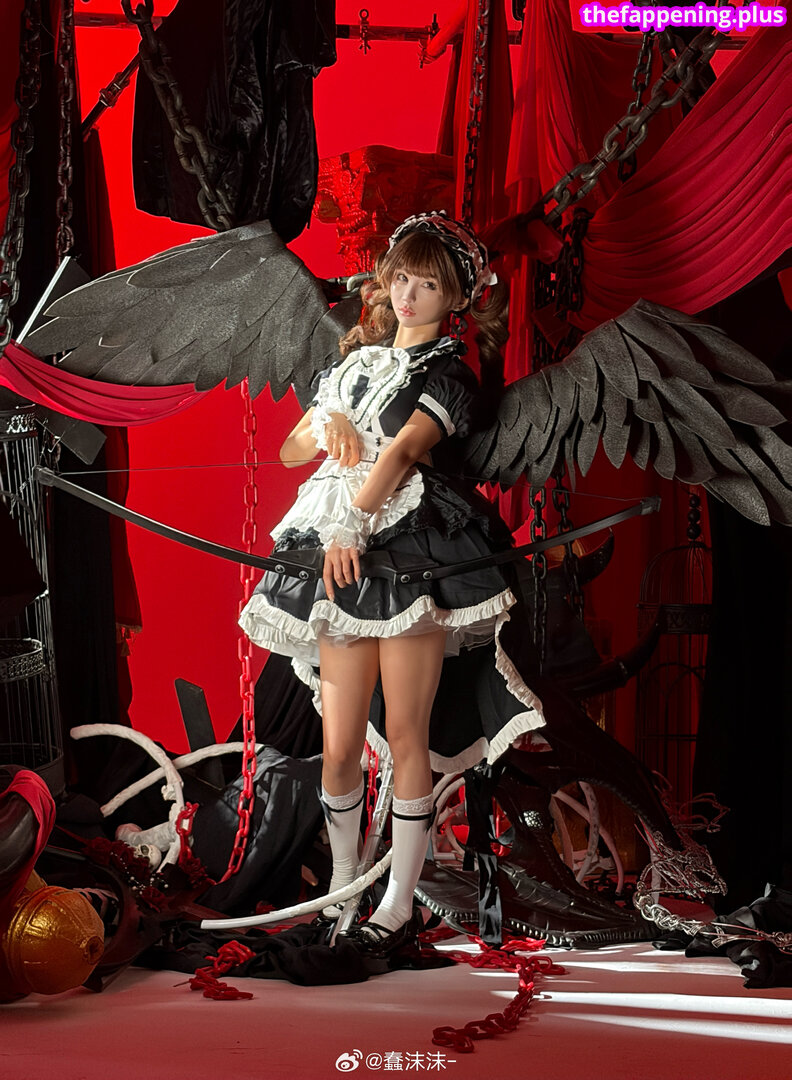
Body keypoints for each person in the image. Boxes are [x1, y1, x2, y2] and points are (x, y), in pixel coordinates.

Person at [239, 212, 545, 957]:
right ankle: (344, 888)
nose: (407, 295)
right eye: (401, 277)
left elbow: (405, 450)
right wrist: (328, 426)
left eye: (427, 284)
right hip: (339, 557)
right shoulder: (354, 365)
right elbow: (291, 451)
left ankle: (399, 903)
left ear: (456, 298)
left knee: (408, 734)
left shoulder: (449, 374)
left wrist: (352, 524)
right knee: (339, 745)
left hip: (410, 555)